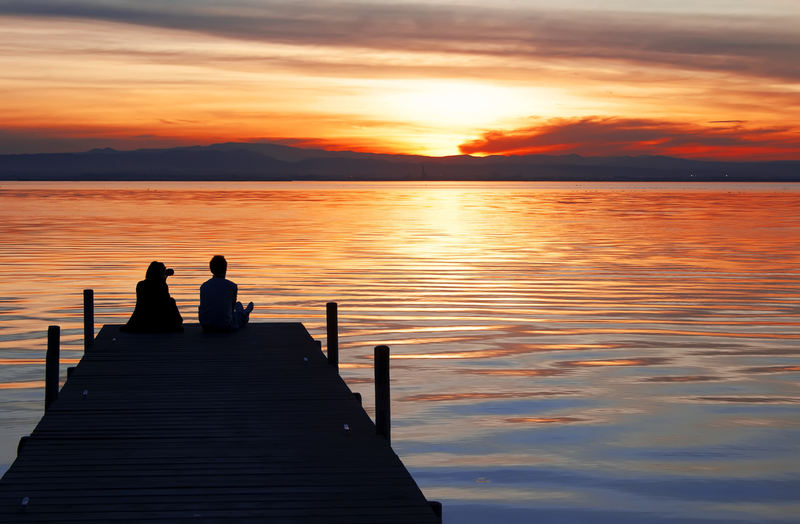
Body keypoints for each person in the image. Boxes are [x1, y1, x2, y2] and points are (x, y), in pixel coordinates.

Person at [120, 261, 183, 332]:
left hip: (142, 321)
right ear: (160, 273)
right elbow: (164, 302)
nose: (165, 272)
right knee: (171, 301)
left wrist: (164, 279)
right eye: (164, 270)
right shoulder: (162, 286)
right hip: (156, 322)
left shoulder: (140, 285)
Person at [199, 255, 254, 332]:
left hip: (206, 325)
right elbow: (231, 310)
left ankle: (243, 312)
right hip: (225, 326)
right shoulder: (232, 286)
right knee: (238, 310)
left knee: (238, 305)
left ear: (211, 269)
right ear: (226, 269)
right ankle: (245, 313)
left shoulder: (204, 286)